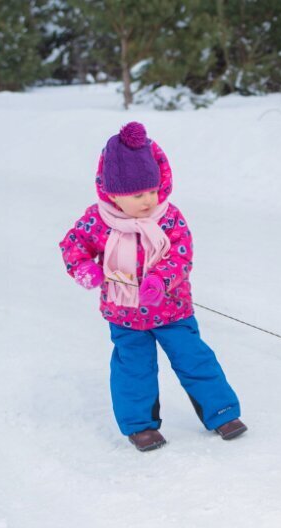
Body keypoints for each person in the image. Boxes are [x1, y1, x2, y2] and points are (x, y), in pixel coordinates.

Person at [59, 122, 247, 451]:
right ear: (112, 193)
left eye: (151, 190)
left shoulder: (169, 217)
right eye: (137, 194)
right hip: (124, 314)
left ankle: (222, 412)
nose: (148, 200)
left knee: (195, 359)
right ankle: (140, 426)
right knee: (133, 369)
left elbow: (181, 254)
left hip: (173, 309)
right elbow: (73, 245)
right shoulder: (97, 220)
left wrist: (161, 279)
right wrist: (86, 269)